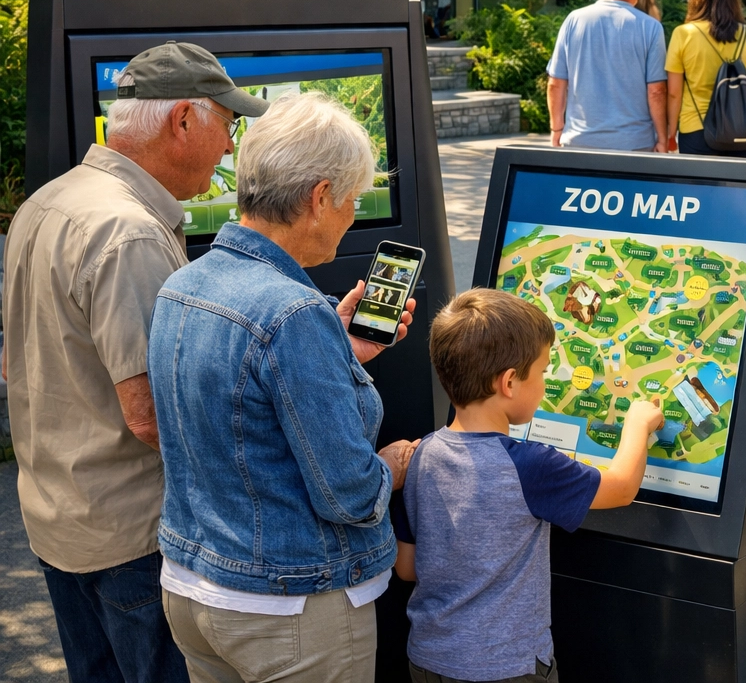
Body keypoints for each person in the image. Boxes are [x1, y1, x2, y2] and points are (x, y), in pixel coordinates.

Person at [4, 43, 268, 683]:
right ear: (184, 120)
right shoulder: (130, 232)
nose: (229, 148)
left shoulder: (48, 201)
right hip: (134, 539)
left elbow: (17, 365)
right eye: (228, 124)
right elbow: (153, 413)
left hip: (59, 518)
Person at [151, 91, 418, 683]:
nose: (351, 217)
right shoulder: (294, 315)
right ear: (320, 197)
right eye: (351, 201)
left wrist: (336, 348)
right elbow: (348, 492)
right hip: (288, 606)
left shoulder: (183, 284)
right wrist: (395, 466)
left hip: (192, 588)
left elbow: (238, 417)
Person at [394, 289, 664, 683]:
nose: (545, 383)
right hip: (506, 669)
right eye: (542, 372)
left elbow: (406, 568)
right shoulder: (530, 465)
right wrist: (638, 424)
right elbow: (622, 487)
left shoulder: (420, 455)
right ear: (509, 382)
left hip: (428, 661)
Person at [546, 0, 667, 153]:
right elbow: (656, 91)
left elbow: (555, 83)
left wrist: (556, 128)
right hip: (634, 143)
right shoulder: (650, 27)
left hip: (579, 141)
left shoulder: (573, 21)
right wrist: (662, 138)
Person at [666, 0, 746, 157]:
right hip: (743, 130)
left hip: (696, 130)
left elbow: (674, 93)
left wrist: (670, 133)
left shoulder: (683, 34)